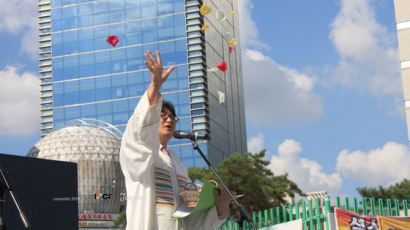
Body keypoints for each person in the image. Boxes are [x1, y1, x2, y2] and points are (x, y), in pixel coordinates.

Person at [120, 50, 231, 230]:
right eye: (162, 115)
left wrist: (220, 206)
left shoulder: (178, 163)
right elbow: (137, 132)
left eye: (173, 117)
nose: (169, 119)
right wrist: (155, 87)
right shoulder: (139, 153)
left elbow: (189, 218)